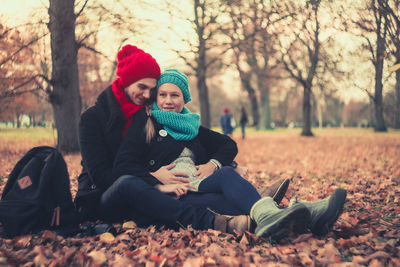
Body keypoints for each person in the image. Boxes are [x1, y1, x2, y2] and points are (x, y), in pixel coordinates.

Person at [74, 45, 288, 235]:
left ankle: (275, 214)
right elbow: (105, 176)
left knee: (214, 196)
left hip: (152, 192)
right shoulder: (93, 118)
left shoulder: (149, 114)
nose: (148, 94)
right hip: (104, 195)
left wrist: (226, 165)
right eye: (143, 87)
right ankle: (221, 221)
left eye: (152, 90)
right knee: (130, 184)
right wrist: (153, 180)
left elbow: (192, 145)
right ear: (127, 82)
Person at [113, 69, 347, 239]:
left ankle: (287, 215)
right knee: (233, 203)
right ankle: (309, 213)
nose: (168, 101)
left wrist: (213, 164)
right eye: (162, 95)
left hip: (202, 182)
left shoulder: (191, 127)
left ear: (184, 98)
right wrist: (156, 179)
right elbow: (123, 166)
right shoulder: (145, 125)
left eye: (175, 95)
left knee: (226, 174)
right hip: (177, 194)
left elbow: (228, 144)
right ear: (156, 98)